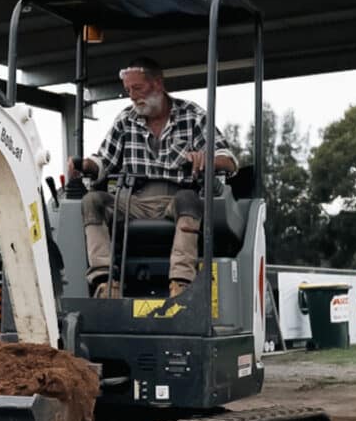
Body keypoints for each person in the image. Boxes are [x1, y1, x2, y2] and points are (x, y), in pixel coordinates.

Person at [67, 57, 237, 298]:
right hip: (133, 200)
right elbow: (104, 160)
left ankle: (181, 284)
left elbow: (228, 159)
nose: (132, 96)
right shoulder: (125, 120)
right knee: (92, 201)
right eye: (128, 90)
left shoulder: (193, 116)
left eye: (137, 88)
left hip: (176, 198)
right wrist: (84, 164)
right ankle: (106, 283)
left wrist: (207, 159)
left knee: (190, 199)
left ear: (157, 84)